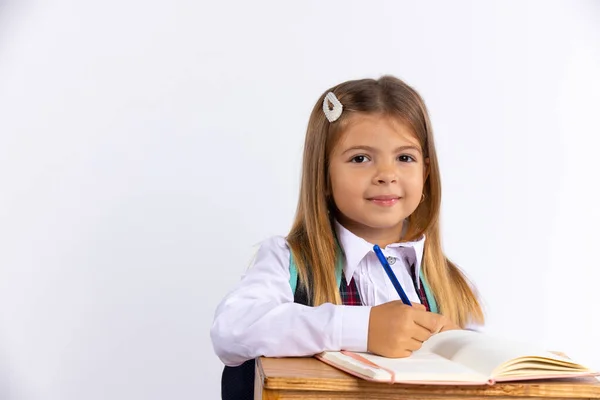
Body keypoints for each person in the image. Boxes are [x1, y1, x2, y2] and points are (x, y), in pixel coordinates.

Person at [211, 75, 485, 400]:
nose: (386, 174)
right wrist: (364, 328)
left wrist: (460, 348)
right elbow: (232, 329)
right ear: (324, 176)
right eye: (360, 158)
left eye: (405, 157)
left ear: (425, 173)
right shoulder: (288, 260)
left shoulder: (450, 285)